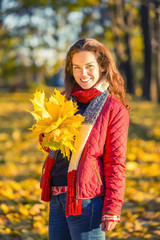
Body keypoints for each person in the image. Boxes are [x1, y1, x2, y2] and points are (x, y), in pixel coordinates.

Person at [39, 38, 130, 240]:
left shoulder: (114, 109)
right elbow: (52, 147)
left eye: (89, 66)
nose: (83, 73)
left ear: (102, 68)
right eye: (77, 67)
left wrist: (112, 207)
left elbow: (115, 162)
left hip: (87, 200)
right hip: (57, 196)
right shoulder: (64, 98)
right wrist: (48, 136)